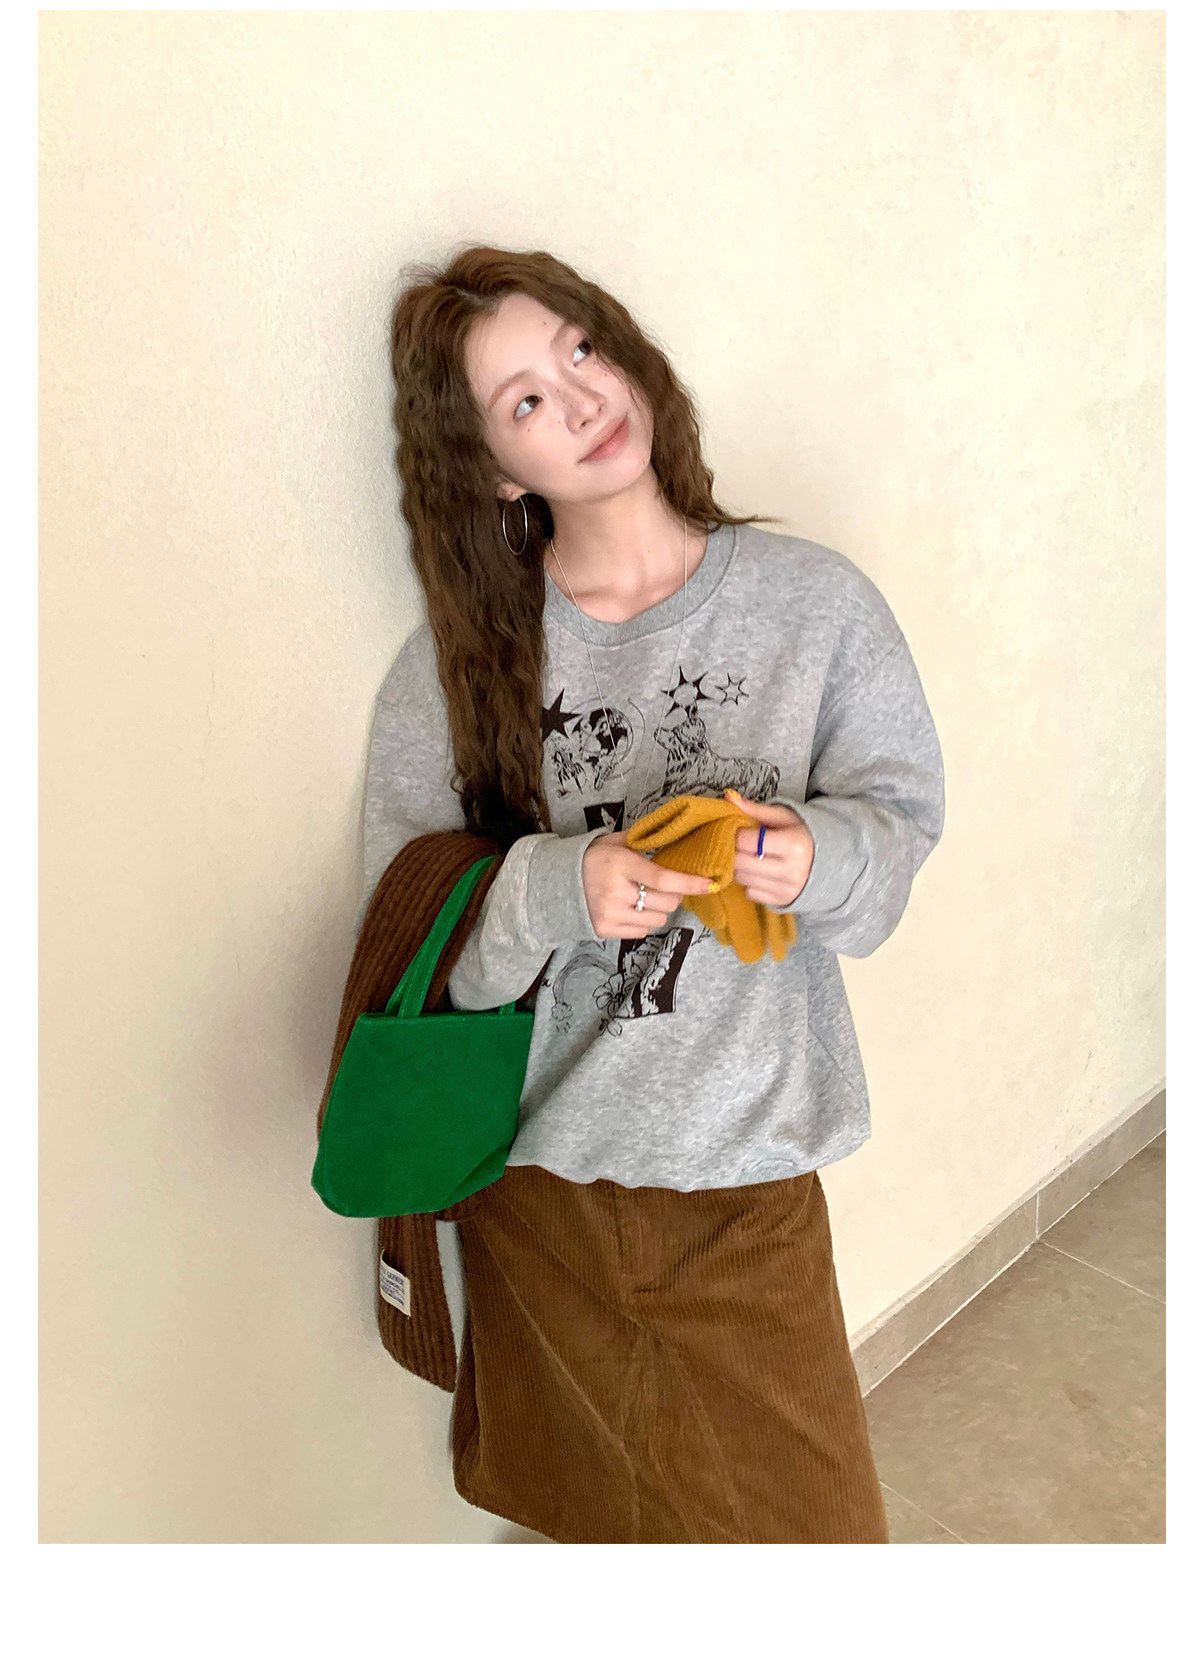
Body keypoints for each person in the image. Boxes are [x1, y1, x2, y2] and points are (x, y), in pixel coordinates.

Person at [361, 244, 945, 1543]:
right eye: (523, 400)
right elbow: (408, 948)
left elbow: (897, 840)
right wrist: (556, 889)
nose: (576, 399)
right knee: (597, 1523)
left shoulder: (814, 608)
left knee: (814, 1542)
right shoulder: (459, 664)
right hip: (536, 1197)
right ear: (496, 468)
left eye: (578, 349)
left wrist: (815, 854)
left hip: (741, 1187)